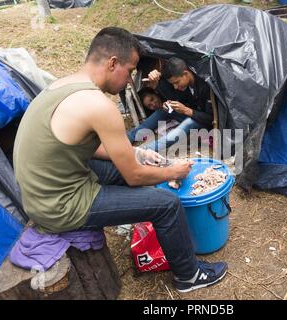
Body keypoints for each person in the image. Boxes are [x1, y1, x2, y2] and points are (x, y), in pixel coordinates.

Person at [13, 27, 227, 293]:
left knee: (134, 166)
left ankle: (142, 212)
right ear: (113, 63)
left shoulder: (63, 86)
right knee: (167, 204)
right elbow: (134, 176)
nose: (131, 81)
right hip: (59, 206)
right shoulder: (99, 105)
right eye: (131, 70)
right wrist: (174, 172)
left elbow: (85, 148)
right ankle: (189, 276)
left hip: (41, 194)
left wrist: (138, 153)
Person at [128, 57, 213, 152]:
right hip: (189, 114)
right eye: (173, 84)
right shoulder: (186, 84)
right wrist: (170, 103)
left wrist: (186, 110)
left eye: (176, 82)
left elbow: (211, 119)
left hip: (202, 122)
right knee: (162, 111)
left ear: (186, 74)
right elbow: (175, 94)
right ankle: (127, 139)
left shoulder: (205, 87)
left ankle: (146, 151)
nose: (175, 87)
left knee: (189, 122)